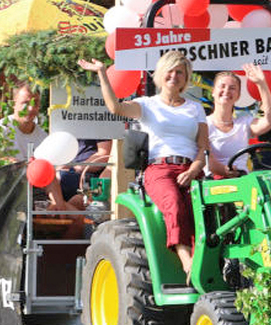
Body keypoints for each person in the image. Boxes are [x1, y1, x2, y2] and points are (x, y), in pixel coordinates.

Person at [79, 51, 207, 277]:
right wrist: (102, 73)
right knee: (174, 202)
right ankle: (186, 258)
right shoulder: (147, 105)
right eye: (170, 71)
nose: (174, 76)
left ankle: (208, 261)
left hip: (191, 168)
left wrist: (195, 169)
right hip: (160, 169)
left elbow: (202, 148)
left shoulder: (195, 108)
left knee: (205, 209)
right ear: (160, 74)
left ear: (186, 78)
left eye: (180, 72)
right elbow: (116, 108)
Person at [0, 81, 68, 211]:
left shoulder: (43, 137)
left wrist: (58, 204)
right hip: (5, 197)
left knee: (76, 218)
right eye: (25, 103)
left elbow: (50, 177)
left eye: (35, 103)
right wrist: (16, 164)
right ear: (14, 104)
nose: (31, 108)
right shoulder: (0, 130)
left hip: (36, 197)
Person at [206, 64, 271, 178]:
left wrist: (261, 84)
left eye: (232, 88)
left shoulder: (244, 123)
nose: (226, 91)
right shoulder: (204, 124)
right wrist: (225, 171)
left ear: (238, 96)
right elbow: (204, 157)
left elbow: (270, 120)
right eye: (222, 86)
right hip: (215, 184)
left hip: (242, 181)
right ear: (213, 92)